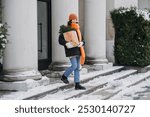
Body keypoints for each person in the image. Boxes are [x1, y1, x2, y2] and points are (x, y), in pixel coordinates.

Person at [58, 13, 86, 90]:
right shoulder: (66, 29)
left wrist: (82, 43)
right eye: (73, 19)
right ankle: (64, 76)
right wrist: (66, 43)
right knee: (74, 66)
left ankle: (77, 84)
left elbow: (83, 39)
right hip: (71, 51)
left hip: (78, 50)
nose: (75, 20)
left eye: (76, 19)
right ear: (70, 20)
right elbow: (60, 40)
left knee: (77, 68)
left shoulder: (78, 29)